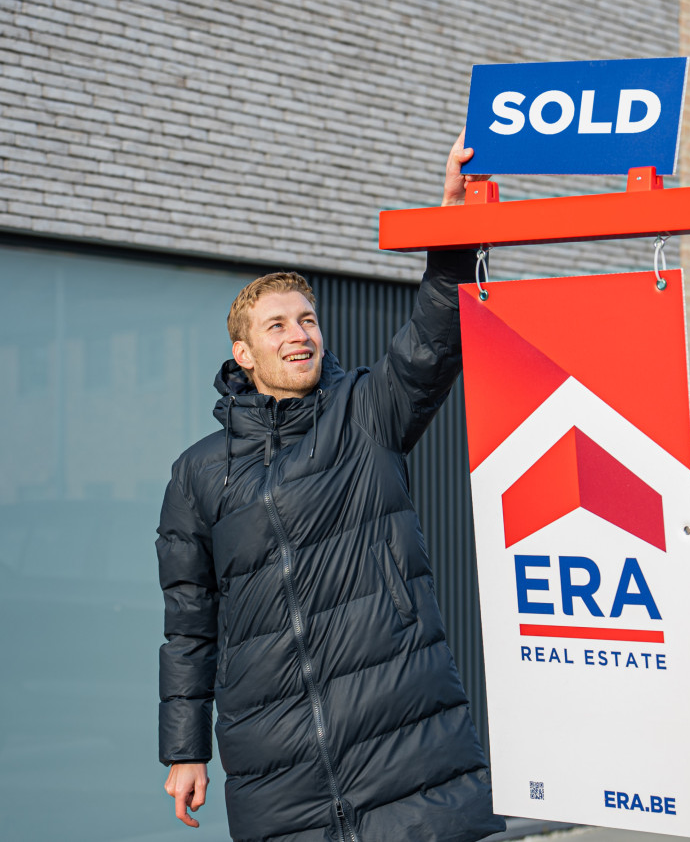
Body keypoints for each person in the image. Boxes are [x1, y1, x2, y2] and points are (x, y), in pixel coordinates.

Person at [156, 131, 504, 842]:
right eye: (277, 324)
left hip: (404, 747)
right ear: (244, 353)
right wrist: (186, 746)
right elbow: (189, 624)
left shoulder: (365, 411)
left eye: (308, 319)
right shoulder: (199, 472)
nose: (299, 334)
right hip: (275, 766)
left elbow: (433, 340)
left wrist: (451, 231)